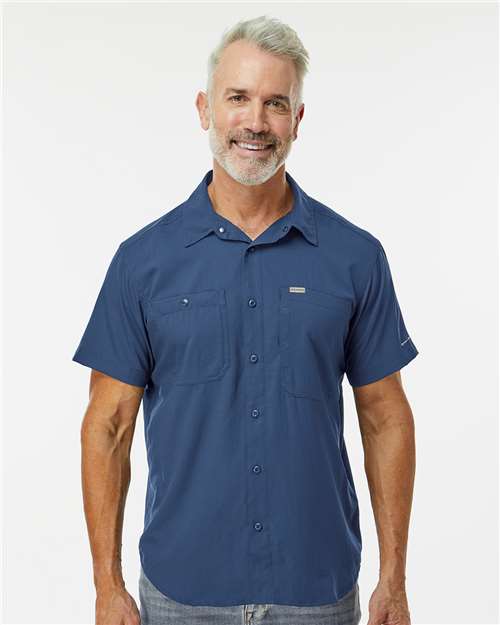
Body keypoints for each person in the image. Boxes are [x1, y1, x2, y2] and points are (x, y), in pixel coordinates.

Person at [73, 14, 418, 625]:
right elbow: (108, 425)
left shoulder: (355, 257)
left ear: (298, 120)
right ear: (205, 108)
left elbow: (385, 417)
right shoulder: (143, 262)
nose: (256, 122)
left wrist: (393, 579)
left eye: (275, 103)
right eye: (238, 98)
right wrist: (107, 585)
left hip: (316, 589)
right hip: (181, 591)